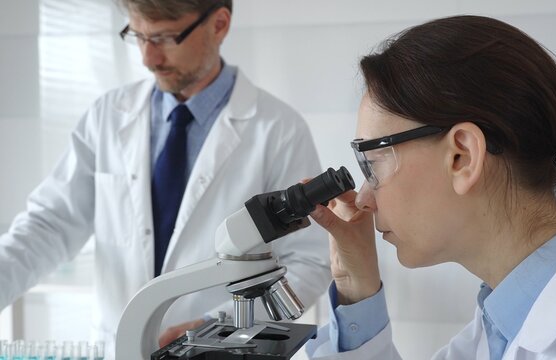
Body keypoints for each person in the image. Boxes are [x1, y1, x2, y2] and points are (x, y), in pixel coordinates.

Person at [0, 0, 331, 356]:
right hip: (119, 346)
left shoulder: (278, 129)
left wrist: (217, 326)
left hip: (217, 352)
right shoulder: (107, 117)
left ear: (219, 24)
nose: (148, 58)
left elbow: (309, 259)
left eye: (165, 38)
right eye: (138, 36)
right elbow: (48, 226)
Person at [305, 15, 556, 360]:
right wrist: (355, 287)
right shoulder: (502, 316)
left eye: (373, 164)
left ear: (462, 157)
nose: (363, 199)